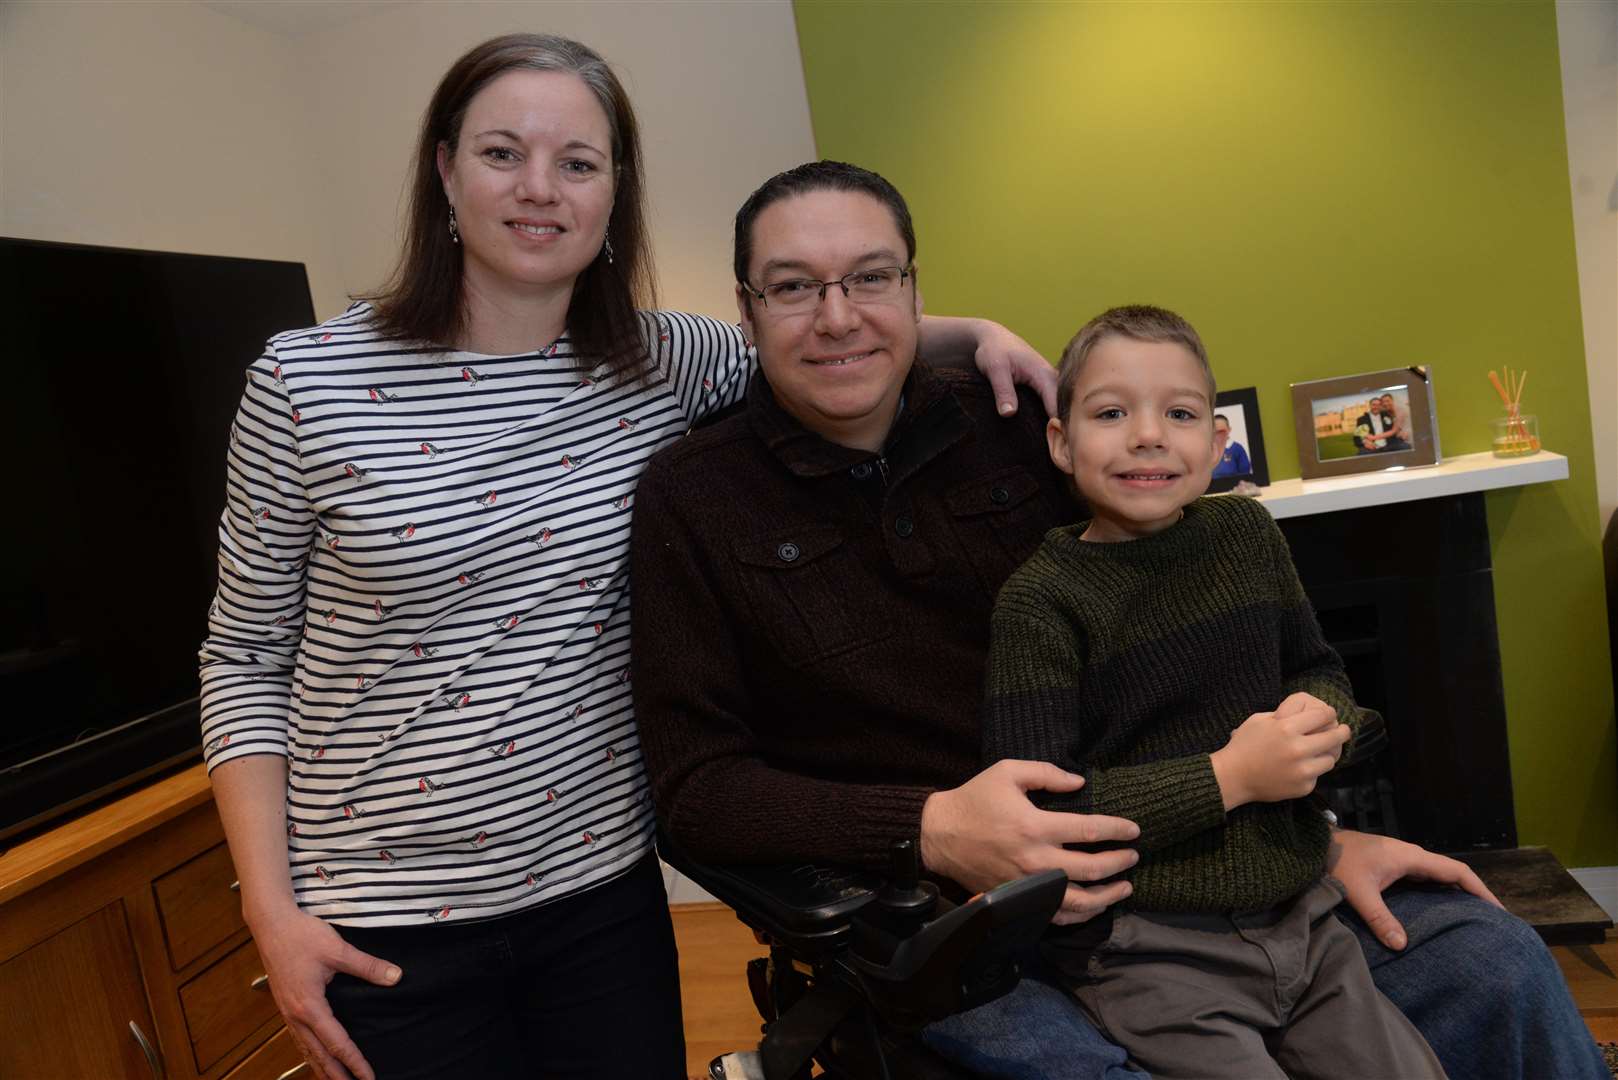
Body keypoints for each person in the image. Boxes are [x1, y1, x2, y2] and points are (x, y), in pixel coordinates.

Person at [631, 160, 1608, 1080]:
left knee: (1491, 960)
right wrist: (926, 827)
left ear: (915, 292)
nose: (837, 317)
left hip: (1182, 864)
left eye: (869, 278)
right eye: (793, 287)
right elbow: (695, 790)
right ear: (747, 312)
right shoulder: (695, 498)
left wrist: (1306, 831)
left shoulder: (1016, 421)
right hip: (951, 924)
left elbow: (1208, 652)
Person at [197, 36, 1053, 1080]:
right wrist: (270, 914)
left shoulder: (659, 362)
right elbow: (242, 657)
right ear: (444, 171)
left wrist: (981, 334)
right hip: (382, 919)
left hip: (598, 894)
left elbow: (825, 333)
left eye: (579, 162)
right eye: (503, 153)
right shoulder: (306, 382)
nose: (539, 190)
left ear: (614, 191)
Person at [980, 304, 1442, 1078]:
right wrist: (1229, 778)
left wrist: (1322, 722)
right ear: (1061, 444)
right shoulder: (1040, 602)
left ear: (1217, 442)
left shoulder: (1247, 536)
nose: (1149, 434)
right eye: (1111, 412)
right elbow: (1039, 819)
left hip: (1303, 917)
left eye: (1181, 412)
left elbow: (1320, 670)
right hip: (1147, 945)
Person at [1210, 412, 1251, 478]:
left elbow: (1245, 472)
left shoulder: (1237, 449)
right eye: (1216, 431)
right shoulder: (1208, 449)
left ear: (1229, 430)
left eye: (1222, 431)